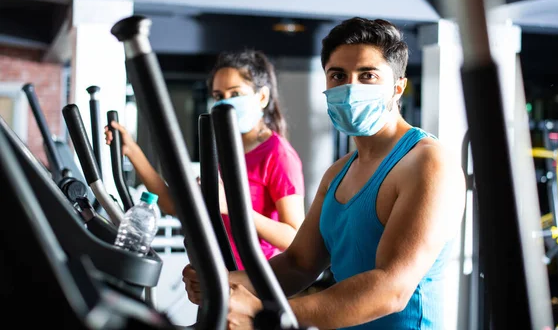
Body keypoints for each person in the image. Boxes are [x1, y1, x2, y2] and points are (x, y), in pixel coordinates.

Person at [182, 17, 466, 329]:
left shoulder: (427, 164)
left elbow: (391, 289)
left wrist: (268, 314)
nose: (349, 87)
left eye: (368, 75)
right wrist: (221, 281)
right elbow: (298, 264)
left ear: (398, 86)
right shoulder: (339, 173)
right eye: (338, 75)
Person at [105, 49, 306, 269]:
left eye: (236, 94)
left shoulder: (278, 154)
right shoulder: (226, 151)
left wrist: (232, 205)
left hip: (255, 285)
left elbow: (295, 238)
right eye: (219, 96)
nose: (225, 102)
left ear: (262, 97)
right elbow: (175, 205)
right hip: (217, 277)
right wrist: (131, 150)